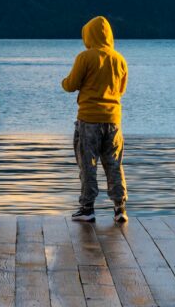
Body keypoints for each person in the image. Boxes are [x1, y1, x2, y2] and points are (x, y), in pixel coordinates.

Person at [62, 16, 128, 223]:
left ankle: (87, 208)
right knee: (114, 164)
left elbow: (71, 84)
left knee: (87, 164)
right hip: (113, 120)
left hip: (89, 119)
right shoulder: (119, 59)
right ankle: (120, 209)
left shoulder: (85, 57)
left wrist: (64, 82)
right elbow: (121, 89)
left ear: (89, 35)